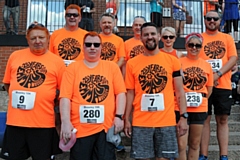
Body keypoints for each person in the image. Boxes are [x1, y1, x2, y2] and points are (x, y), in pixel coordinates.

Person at [0, 22, 65, 160]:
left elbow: (63, 91)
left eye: (41, 37)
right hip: (15, 122)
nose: (37, 41)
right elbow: (7, 84)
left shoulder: (57, 62)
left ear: (48, 39)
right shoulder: (15, 56)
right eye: (33, 38)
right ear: (27, 40)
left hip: (43, 123)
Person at [124, 22, 188, 160]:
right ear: (140, 38)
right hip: (141, 122)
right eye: (146, 34)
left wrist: (183, 116)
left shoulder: (173, 61)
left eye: (153, 34)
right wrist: (126, 119)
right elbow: (130, 93)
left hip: (166, 121)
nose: (150, 37)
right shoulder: (132, 63)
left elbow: (179, 91)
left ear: (159, 36)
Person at [59, 31, 126, 159]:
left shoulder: (112, 67)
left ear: (101, 47)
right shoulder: (72, 68)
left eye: (96, 45)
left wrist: (119, 116)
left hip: (105, 128)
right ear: (83, 47)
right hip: (80, 129)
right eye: (88, 44)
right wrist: (65, 122)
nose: (92, 48)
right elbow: (65, 97)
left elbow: (120, 93)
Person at [199, 11, 238, 160]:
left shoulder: (227, 38)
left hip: (223, 85)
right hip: (204, 85)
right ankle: (203, 155)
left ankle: (224, 155)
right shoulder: (200, 38)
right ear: (205, 20)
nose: (212, 21)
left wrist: (218, 74)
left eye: (215, 19)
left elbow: (233, 58)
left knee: (222, 119)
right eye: (209, 18)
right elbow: (196, 59)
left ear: (219, 21)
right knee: (205, 119)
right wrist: (209, 77)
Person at [176, 33, 213, 160]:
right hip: (180, 108)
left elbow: (209, 87)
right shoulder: (178, 63)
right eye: (191, 45)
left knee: (195, 143)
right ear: (186, 46)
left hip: (199, 108)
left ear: (201, 47)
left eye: (197, 45)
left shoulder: (206, 65)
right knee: (181, 144)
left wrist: (202, 99)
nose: (194, 48)